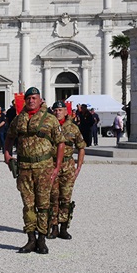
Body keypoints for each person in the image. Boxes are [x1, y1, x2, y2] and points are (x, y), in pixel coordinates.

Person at [4, 87, 65, 254]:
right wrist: (7, 153)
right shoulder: (19, 119)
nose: (31, 100)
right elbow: (9, 136)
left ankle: (42, 239)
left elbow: (60, 143)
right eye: (29, 98)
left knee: (43, 205)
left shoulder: (50, 119)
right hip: (24, 169)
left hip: (44, 168)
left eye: (34, 98)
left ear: (40, 100)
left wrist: (57, 166)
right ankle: (30, 239)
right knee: (28, 205)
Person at [48, 101, 85, 240]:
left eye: (60, 110)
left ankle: (64, 227)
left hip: (68, 166)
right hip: (52, 165)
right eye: (55, 110)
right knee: (53, 197)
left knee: (66, 197)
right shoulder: (49, 126)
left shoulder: (73, 128)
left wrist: (78, 167)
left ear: (65, 111)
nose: (57, 112)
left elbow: (81, 147)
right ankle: (54, 227)